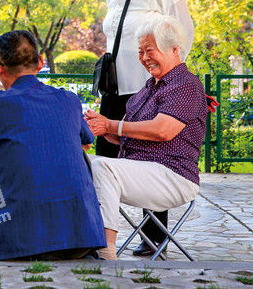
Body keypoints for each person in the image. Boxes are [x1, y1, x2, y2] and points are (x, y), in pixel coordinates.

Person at [90, 0, 194, 255]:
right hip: (115, 87)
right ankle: (99, 235)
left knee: (151, 155)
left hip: (149, 87)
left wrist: (167, 76)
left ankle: (155, 237)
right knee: (104, 154)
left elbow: (184, 31)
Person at [0, 30, 106, 260]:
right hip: (78, 238)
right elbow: (85, 144)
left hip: (14, 240)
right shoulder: (69, 100)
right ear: (40, 62)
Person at [85, 15, 207, 260]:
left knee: (103, 168)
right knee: (80, 162)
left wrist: (113, 124)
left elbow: (163, 130)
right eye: (140, 52)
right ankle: (78, 241)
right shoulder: (150, 86)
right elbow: (128, 136)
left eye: (149, 50)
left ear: (174, 50)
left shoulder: (186, 85)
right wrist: (98, 127)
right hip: (142, 170)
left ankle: (105, 249)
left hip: (173, 176)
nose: (144, 58)